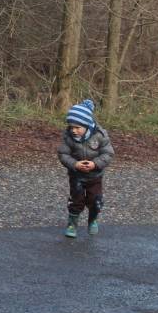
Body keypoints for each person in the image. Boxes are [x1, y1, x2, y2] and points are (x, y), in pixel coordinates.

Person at [57, 98, 114, 238]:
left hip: (95, 176)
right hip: (76, 176)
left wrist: (95, 164)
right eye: (71, 127)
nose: (74, 130)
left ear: (87, 125)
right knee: (76, 200)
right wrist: (74, 164)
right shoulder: (68, 137)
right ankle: (72, 224)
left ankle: (92, 219)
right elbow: (63, 154)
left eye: (77, 128)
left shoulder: (100, 135)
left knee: (96, 201)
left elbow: (108, 154)